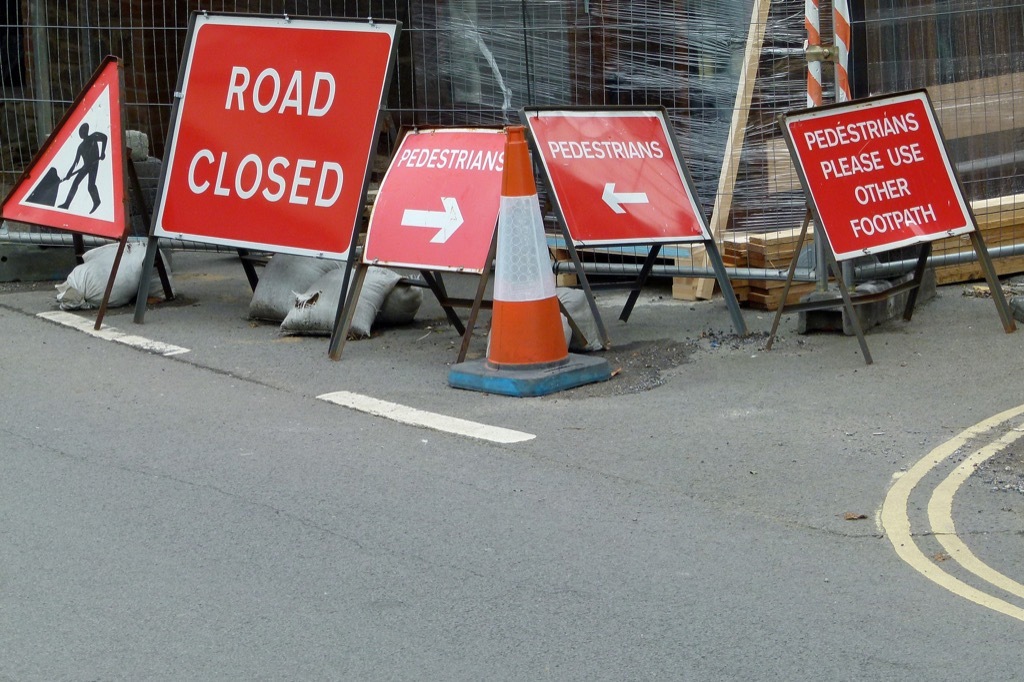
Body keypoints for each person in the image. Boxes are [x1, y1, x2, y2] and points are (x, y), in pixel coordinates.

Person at [59, 123, 107, 214]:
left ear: (87, 131)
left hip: (94, 165)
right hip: (85, 166)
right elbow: (75, 163)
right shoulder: (80, 147)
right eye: (81, 132)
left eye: (83, 131)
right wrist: (69, 174)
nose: (82, 133)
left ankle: (97, 202)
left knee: (90, 186)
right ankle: (66, 204)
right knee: (75, 183)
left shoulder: (93, 137)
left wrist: (103, 152)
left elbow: (104, 138)